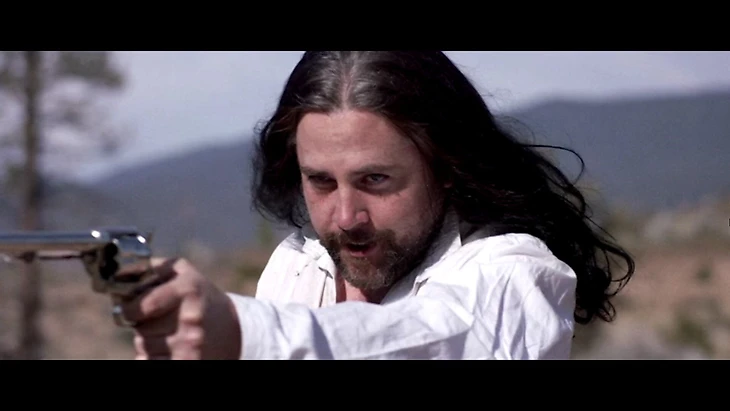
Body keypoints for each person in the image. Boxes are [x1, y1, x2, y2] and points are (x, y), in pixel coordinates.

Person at [117, 51, 635, 360]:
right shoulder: (298, 266)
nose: (346, 218)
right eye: (321, 181)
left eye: (375, 180)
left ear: (445, 166)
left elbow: (439, 339)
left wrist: (239, 331)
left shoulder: (514, 274)